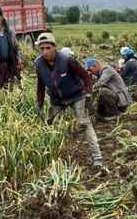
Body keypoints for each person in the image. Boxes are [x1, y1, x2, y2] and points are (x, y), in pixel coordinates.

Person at [34, 33, 103, 168]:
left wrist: (88, 93)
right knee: (48, 124)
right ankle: (48, 157)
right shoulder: (39, 64)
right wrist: (39, 104)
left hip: (76, 95)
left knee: (84, 123)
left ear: (55, 47)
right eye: (42, 49)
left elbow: (85, 76)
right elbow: (40, 86)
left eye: (48, 48)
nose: (45, 52)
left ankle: (97, 157)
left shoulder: (67, 60)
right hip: (57, 100)